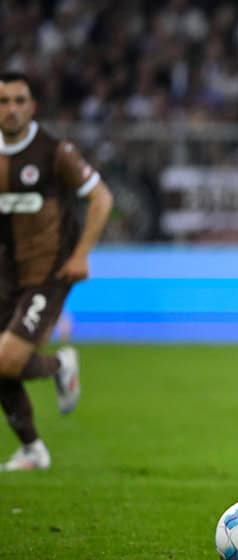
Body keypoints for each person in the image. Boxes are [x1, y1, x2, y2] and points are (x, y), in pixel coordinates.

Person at [0, 71, 114, 471]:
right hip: (4, 274)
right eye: (3, 102)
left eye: (19, 101)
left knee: (5, 361)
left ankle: (59, 365)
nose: (11, 109)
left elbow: (101, 198)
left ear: (31, 106)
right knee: (2, 367)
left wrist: (81, 253)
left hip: (48, 273)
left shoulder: (54, 152)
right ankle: (32, 449)